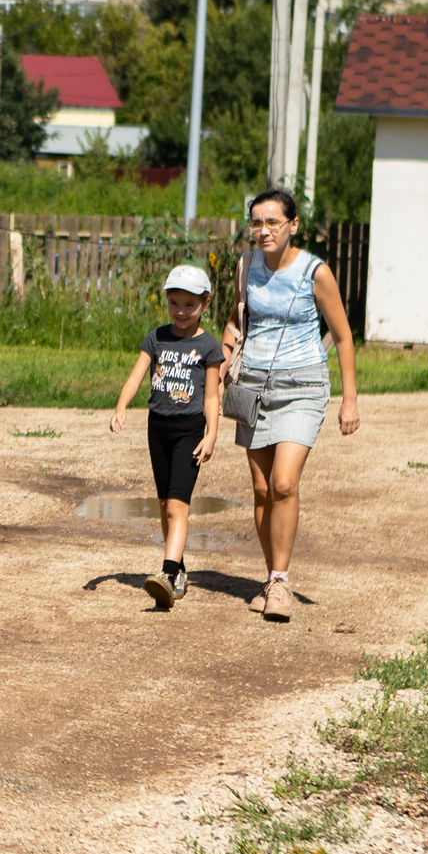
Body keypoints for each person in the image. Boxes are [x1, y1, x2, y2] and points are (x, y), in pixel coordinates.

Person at [218, 187, 362, 620]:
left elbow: (342, 335)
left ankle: (280, 582)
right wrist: (223, 361)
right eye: (257, 223)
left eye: (272, 223)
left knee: (284, 482)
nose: (263, 231)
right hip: (253, 387)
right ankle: (270, 575)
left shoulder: (315, 272)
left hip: (303, 386)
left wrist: (350, 399)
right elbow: (234, 319)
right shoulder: (246, 265)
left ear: (293, 225)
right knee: (261, 491)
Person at [106, 264, 225, 610]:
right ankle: (180, 568)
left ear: (205, 303)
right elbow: (135, 376)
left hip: (189, 430)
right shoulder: (156, 337)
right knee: (164, 505)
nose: (181, 311)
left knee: (177, 504)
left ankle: (167, 573)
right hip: (158, 427)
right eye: (174, 303)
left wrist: (212, 435)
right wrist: (121, 406)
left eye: (190, 304)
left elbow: (213, 397)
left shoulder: (209, 347)